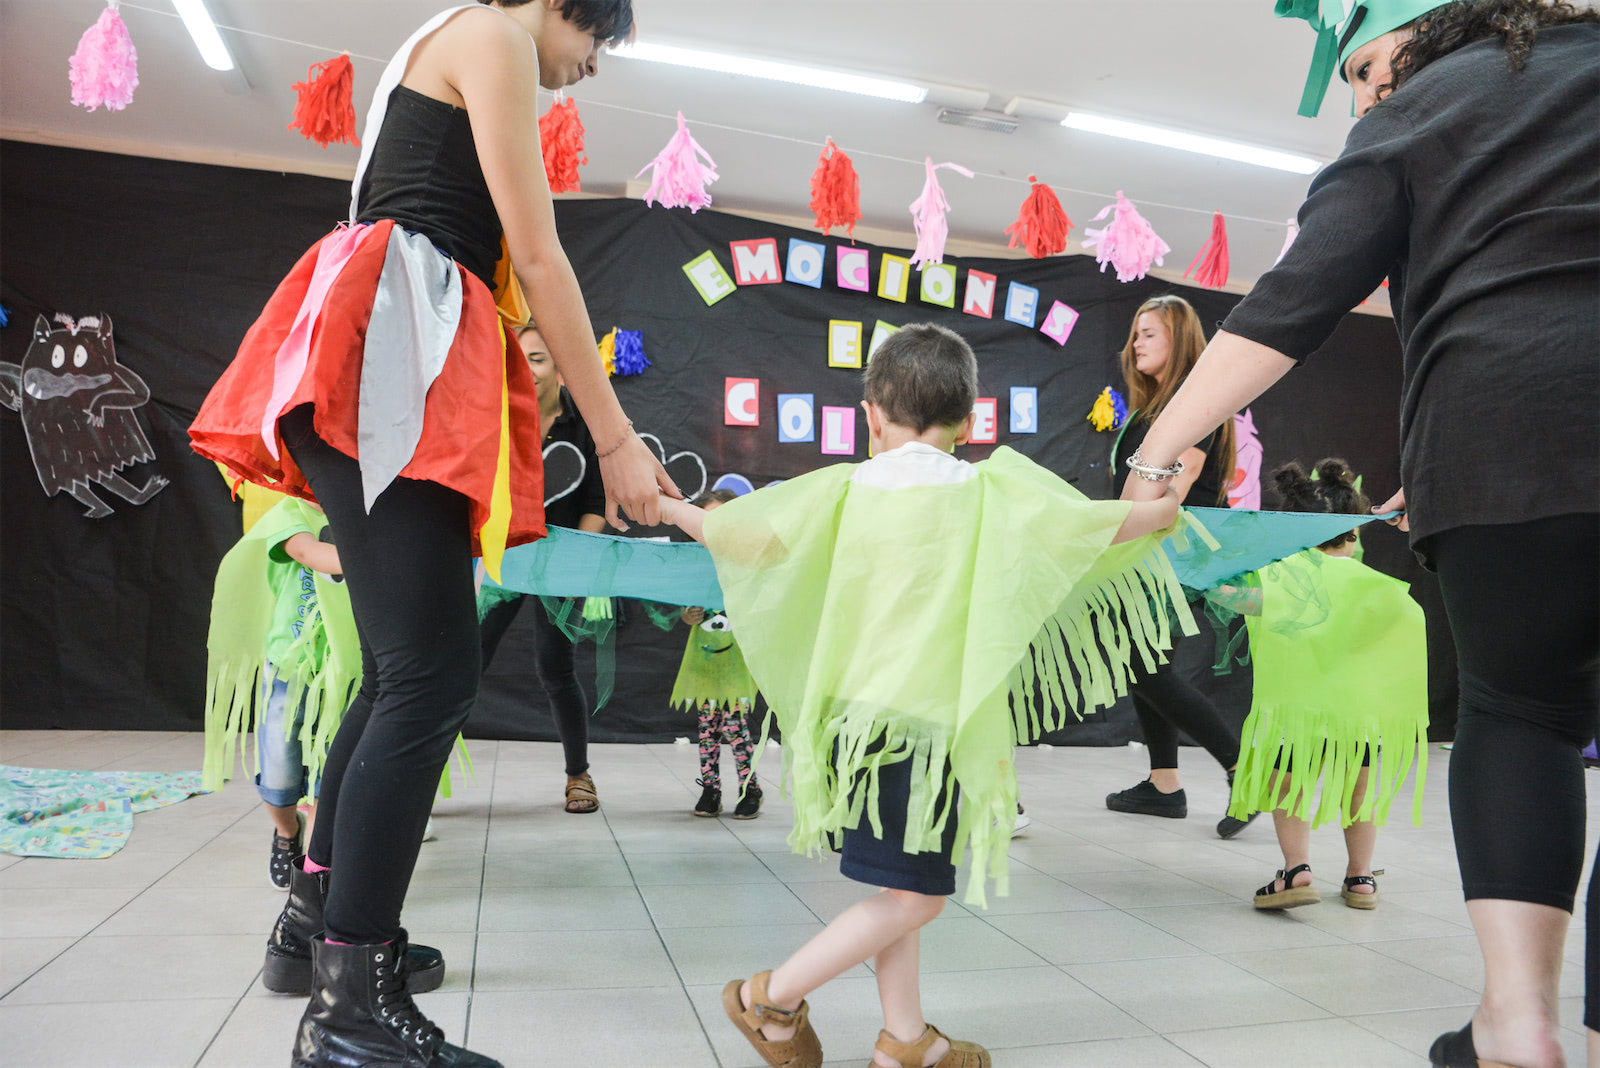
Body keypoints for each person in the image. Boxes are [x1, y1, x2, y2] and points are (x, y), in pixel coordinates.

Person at [189, 2, 675, 1065]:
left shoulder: (435, 39)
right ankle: (351, 1008)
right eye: (599, 40)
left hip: (376, 350)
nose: (593, 67)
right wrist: (619, 438)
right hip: (390, 360)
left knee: (401, 671)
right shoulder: (494, 35)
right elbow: (539, 260)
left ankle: (315, 932)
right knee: (427, 680)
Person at [1122, 4, 1598, 1065]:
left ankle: (1516, 1026)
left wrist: (1160, 459)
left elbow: (1294, 301)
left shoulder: (1423, 107)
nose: (1363, 95)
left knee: (1519, 711)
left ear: (1430, 27)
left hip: (1500, 438)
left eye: (1364, 66)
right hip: (1508, 435)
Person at [661, 323, 1187, 1068]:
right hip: (922, 732)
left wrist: (672, 511)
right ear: (968, 422)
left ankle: (906, 1043)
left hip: (850, 725)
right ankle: (770, 1001)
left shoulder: (842, 488)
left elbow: (740, 536)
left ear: (871, 413)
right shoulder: (986, 489)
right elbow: (1094, 529)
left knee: (895, 880)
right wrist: (1166, 508)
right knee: (916, 896)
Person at [1206, 460, 1428, 913]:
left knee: (1288, 786)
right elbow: (1405, 630)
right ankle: (1360, 877)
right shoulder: (1379, 587)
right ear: (1355, 530)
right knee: (1359, 790)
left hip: (1296, 716)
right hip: (1357, 718)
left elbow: (1229, 596)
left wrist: (1205, 576)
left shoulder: (1281, 580)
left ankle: (1297, 870)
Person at [1101, 295, 1253, 839]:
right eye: (1135, 333)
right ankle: (1164, 784)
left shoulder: (1195, 408)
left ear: (1179, 341)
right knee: (1143, 662)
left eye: (1148, 333)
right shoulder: (1154, 409)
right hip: (1148, 557)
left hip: (1173, 558)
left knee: (1140, 664)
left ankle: (1242, 768)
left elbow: (1175, 487)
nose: (1135, 343)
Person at [477, 322, 608, 814]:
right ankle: (422, 772)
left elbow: (596, 500)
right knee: (464, 663)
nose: (526, 369)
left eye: (537, 358)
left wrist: (575, 557)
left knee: (556, 668)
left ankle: (579, 775)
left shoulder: (588, 425)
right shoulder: (498, 417)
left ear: (560, 367)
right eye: (518, 358)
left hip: (563, 563)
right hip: (504, 558)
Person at [670, 489, 763, 819]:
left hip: (735, 663)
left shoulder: (748, 561)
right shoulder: (697, 562)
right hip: (705, 662)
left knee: (737, 728)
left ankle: (750, 788)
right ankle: (711, 789)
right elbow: (683, 608)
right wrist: (687, 616)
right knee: (707, 729)